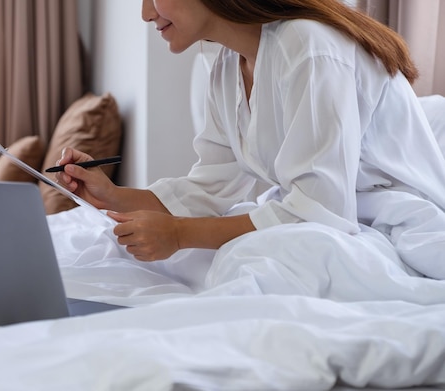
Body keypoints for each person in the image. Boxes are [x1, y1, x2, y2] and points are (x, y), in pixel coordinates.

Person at [55, 0, 445, 279]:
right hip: (330, 214)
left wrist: (179, 234)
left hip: (388, 217)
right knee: (148, 259)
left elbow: (322, 211)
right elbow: (211, 187)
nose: (145, 13)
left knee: (247, 263)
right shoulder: (226, 65)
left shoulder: (309, 47)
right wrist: (111, 195)